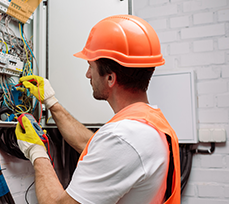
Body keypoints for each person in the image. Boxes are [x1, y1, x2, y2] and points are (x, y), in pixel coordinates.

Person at [15, 15, 181, 204]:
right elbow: (91, 145)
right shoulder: (147, 123)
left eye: (90, 66)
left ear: (110, 78)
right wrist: (51, 101)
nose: (88, 74)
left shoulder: (124, 137)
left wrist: (36, 152)